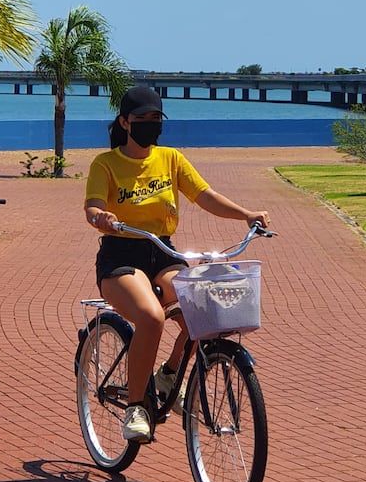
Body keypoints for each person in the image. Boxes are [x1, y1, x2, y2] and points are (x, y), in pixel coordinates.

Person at [84, 83, 270, 443]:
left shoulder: (171, 158)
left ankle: (169, 375)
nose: (151, 125)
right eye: (143, 118)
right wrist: (100, 216)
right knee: (152, 317)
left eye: (156, 118)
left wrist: (246, 215)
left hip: (163, 253)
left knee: (205, 313)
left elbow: (206, 196)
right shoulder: (105, 164)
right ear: (124, 122)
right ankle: (137, 407)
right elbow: (91, 206)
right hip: (120, 255)